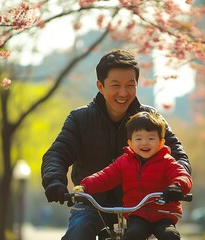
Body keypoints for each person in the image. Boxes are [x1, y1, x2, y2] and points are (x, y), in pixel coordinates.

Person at [41, 49, 191, 240]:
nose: (123, 92)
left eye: (130, 85)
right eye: (115, 85)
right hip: (91, 203)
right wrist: (54, 181)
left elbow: (179, 156)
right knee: (78, 233)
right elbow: (57, 154)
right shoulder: (80, 119)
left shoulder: (151, 119)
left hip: (142, 207)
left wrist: (177, 186)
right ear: (100, 86)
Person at [72, 111, 193, 240]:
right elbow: (105, 176)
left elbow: (182, 175)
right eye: (138, 138)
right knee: (134, 234)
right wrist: (84, 187)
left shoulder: (167, 161)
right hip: (137, 214)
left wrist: (176, 187)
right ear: (130, 143)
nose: (144, 143)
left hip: (163, 213)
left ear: (161, 142)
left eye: (151, 138)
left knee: (169, 235)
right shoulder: (124, 162)